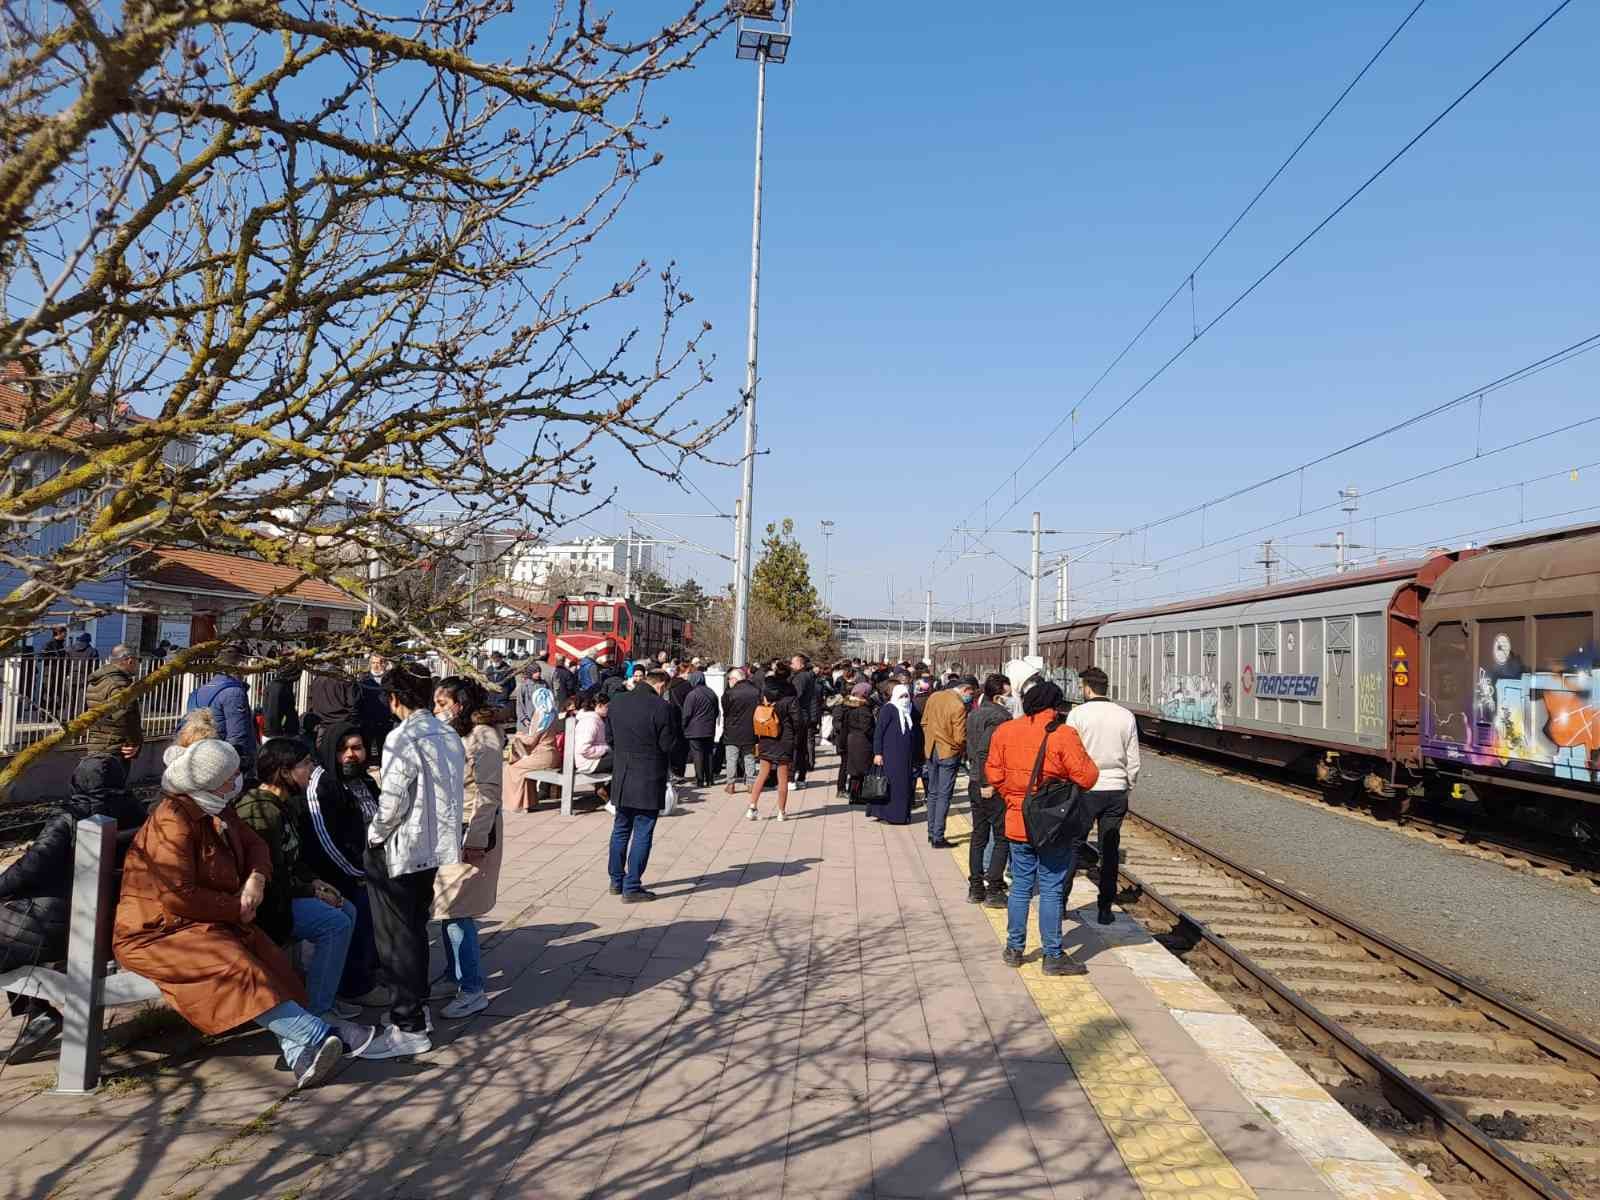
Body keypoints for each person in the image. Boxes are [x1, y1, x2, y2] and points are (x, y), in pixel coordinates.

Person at [113, 739, 372, 1088]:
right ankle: (319, 1033)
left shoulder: (216, 806)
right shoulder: (173, 821)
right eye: (232, 774)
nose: (239, 779)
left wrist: (255, 878)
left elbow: (255, 845)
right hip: (156, 933)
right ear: (211, 780)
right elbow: (176, 896)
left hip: (204, 921)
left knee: (269, 960)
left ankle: (300, 1057)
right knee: (236, 965)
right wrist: (236, 907)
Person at [0, 753, 143, 1062]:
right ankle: (39, 1011)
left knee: (8, 934)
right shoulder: (139, 815)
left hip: (59, 923)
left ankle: (41, 1010)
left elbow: (31, 868)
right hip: (108, 924)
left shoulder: (71, 816)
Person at [361, 664, 465, 1059]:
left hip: (401, 848)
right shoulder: (448, 734)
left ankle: (409, 1024)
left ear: (394, 700)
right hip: (435, 847)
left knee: (395, 938)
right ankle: (416, 1008)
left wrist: (374, 835)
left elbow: (392, 801)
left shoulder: (402, 737)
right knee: (415, 930)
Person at [235, 738, 358, 1022]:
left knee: (346, 908)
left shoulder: (283, 804)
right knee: (335, 924)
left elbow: (294, 859)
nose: (312, 769)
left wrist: (315, 882)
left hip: (287, 894)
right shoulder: (260, 812)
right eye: (305, 764)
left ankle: (325, 996)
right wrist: (310, 892)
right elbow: (269, 877)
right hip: (268, 907)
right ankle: (318, 1012)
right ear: (284, 771)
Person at [985, 676, 1100, 976]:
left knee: (1021, 886)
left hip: (1017, 820)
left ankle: (1014, 948)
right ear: (1056, 706)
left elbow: (993, 774)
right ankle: (1052, 955)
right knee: (1050, 887)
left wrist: (1013, 796)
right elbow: (1087, 777)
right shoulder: (1064, 735)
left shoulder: (1005, 731)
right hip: (1052, 825)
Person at [431, 678, 504, 1020]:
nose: (437, 710)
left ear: (459, 704)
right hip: (450, 828)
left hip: (471, 832)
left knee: (457, 908)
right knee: (447, 907)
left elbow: (488, 793)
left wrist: (474, 841)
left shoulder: (484, 736)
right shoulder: (455, 733)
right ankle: (453, 974)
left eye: (442, 703)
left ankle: (472, 988)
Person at [303, 721, 387, 1007]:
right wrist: (358, 873)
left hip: (371, 867)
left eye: (357, 748)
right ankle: (355, 987)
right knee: (359, 914)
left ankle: (374, 972)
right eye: (344, 750)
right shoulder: (323, 785)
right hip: (338, 873)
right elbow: (325, 839)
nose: (351, 755)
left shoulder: (365, 781)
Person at [1066, 666, 1141, 926]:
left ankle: (1061, 901)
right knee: (1109, 850)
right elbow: (1133, 758)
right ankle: (1105, 908)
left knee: (1074, 845)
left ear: (1087, 688)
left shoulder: (1077, 715)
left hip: (1086, 789)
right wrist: (1127, 783)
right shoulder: (1126, 716)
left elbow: (1069, 754)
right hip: (1116, 789)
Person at [606, 669, 680, 902]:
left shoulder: (616, 702)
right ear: (661, 686)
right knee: (642, 831)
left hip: (622, 775)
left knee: (620, 829)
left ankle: (616, 881)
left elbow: (609, 738)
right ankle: (632, 886)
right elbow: (667, 744)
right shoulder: (662, 708)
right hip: (648, 776)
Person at [965, 674, 1013, 907]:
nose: (1011, 699)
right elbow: (986, 751)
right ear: (998, 696)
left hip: (975, 780)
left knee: (978, 836)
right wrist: (988, 783)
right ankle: (993, 888)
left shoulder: (974, 712)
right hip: (990, 784)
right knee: (1002, 837)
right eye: (1008, 695)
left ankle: (975, 887)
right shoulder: (999, 717)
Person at [186, 648, 258, 783]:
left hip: (200, 756)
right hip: (224, 762)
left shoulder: (200, 690)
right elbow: (238, 735)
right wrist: (241, 767)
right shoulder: (234, 692)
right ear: (239, 666)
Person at [920, 675, 975, 849]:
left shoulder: (934, 696)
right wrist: (960, 748)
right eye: (971, 693)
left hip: (931, 749)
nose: (971, 697)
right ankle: (938, 836)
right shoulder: (958, 705)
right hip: (948, 753)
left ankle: (931, 832)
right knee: (944, 795)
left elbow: (924, 722)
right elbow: (960, 737)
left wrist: (931, 739)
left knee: (933, 793)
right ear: (965, 689)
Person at [503, 668, 558, 813]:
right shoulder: (552, 714)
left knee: (512, 768)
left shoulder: (540, 716)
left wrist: (519, 736)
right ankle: (529, 802)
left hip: (542, 755)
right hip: (551, 754)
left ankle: (517, 804)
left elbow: (531, 741)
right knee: (523, 768)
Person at [747, 670, 797, 822]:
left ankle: (752, 807)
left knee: (762, 774)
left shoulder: (764, 700)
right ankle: (781, 812)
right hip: (784, 741)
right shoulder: (789, 701)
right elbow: (798, 721)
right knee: (782, 777)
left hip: (766, 738)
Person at [82, 644, 143, 761]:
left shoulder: (99, 678)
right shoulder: (119, 683)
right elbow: (127, 716)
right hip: (116, 747)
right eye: (138, 660)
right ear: (130, 660)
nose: (138, 665)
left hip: (96, 743)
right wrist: (134, 743)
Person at [871, 683, 919, 825]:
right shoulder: (889, 709)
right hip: (890, 754)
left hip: (905, 756)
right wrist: (877, 753)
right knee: (890, 784)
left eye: (907, 696)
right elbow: (879, 732)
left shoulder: (909, 710)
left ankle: (901, 814)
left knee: (904, 785)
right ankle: (889, 814)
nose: (905, 699)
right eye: (901, 696)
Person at [832, 682, 877, 800]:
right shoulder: (862, 708)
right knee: (860, 770)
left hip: (850, 739)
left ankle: (853, 794)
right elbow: (866, 727)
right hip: (861, 742)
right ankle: (856, 795)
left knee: (854, 770)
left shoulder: (849, 705)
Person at [720, 668, 760, 793]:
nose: (729, 682)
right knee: (749, 758)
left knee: (731, 759)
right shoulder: (756, 691)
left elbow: (725, 711)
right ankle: (751, 784)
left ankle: (731, 784)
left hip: (732, 731)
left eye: (729, 679)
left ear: (734, 679)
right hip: (751, 729)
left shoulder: (729, 693)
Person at [306, 664, 361, 748]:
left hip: (322, 724)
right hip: (340, 725)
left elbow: (311, 701)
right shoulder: (346, 680)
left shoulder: (317, 679)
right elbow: (354, 704)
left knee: (322, 755)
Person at [681, 671, 719, 787]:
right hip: (709, 729)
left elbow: (686, 714)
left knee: (698, 754)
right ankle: (710, 779)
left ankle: (700, 780)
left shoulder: (692, 695)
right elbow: (716, 712)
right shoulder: (712, 693)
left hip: (694, 730)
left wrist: (684, 725)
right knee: (709, 753)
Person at [357, 653, 395, 763]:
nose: (375, 665)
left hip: (385, 719)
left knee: (384, 749)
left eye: (378, 663)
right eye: (373, 663)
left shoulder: (390, 679)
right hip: (368, 719)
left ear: (384, 664)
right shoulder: (364, 678)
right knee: (367, 748)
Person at [788, 655, 818, 784]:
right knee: (802, 748)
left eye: (793, 663)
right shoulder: (808, 676)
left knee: (795, 747)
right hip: (806, 715)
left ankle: (792, 778)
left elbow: (796, 696)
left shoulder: (800, 678)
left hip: (799, 716)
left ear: (801, 665)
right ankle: (801, 777)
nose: (791, 665)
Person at [263, 664, 302, 738]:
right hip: (276, 735)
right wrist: (275, 734)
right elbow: (273, 712)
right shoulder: (278, 687)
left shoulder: (284, 685)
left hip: (282, 733)